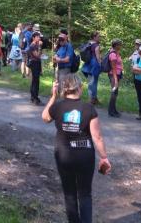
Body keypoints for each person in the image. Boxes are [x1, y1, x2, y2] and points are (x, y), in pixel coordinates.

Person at [42, 75, 111, 223]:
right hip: (85, 156)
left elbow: (45, 117)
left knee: (69, 194)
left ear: (63, 89)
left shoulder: (58, 106)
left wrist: (53, 96)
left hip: (63, 155)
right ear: (80, 88)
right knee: (85, 194)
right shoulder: (88, 108)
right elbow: (97, 137)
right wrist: (104, 157)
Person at [82, 32, 102, 106]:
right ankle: (92, 99)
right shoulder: (96, 46)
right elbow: (98, 57)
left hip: (88, 64)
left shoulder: (89, 43)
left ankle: (94, 98)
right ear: (94, 37)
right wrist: (100, 65)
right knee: (93, 82)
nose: (99, 38)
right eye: (98, 36)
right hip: (94, 64)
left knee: (91, 81)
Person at [107, 39, 123, 118]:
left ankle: (114, 110)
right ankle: (111, 111)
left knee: (115, 93)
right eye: (119, 44)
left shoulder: (116, 53)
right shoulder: (113, 54)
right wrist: (116, 79)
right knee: (114, 93)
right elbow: (113, 68)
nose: (120, 46)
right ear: (116, 45)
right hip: (113, 75)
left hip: (117, 74)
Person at [27, 31, 43, 104]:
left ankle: (33, 97)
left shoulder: (36, 45)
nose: (39, 38)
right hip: (34, 63)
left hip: (37, 63)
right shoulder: (32, 45)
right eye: (37, 37)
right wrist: (39, 47)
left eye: (39, 37)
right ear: (33, 38)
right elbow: (37, 55)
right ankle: (34, 97)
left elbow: (40, 54)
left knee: (36, 80)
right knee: (35, 81)